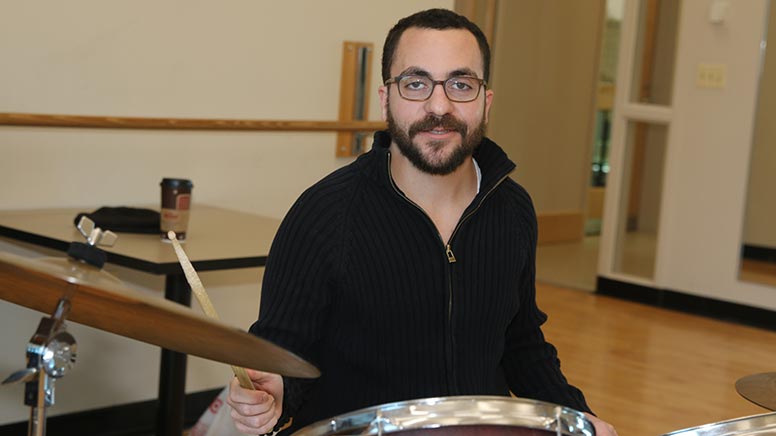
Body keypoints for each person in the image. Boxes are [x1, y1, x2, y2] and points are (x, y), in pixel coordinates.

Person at [228, 8, 617, 436]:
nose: (439, 105)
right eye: (416, 83)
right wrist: (274, 392)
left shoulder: (512, 209)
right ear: (385, 100)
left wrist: (581, 417)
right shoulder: (324, 213)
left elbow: (521, 344)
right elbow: (283, 355)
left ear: (485, 102)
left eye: (460, 84)